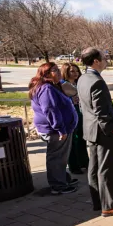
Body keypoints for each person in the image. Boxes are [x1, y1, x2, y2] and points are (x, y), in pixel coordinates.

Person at [78, 47, 113, 216]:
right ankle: (109, 205)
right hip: (102, 132)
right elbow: (101, 111)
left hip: (90, 130)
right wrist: (111, 130)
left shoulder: (83, 78)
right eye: (104, 57)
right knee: (106, 168)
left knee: (94, 168)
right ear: (96, 61)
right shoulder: (96, 81)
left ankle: (99, 201)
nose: (106, 59)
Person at [29, 62, 79, 195]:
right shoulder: (46, 88)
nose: (57, 73)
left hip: (58, 128)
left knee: (61, 157)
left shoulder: (52, 86)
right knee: (57, 157)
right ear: (45, 74)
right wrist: (60, 129)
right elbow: (51, 110)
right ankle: (58, 185)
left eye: (58, 70)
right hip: (55, 130)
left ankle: (63, 178)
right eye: (54, 71)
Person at [60, 63, 89, 175]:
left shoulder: (78, 83)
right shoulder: (63, 84)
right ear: (66, 72)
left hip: (80, 112)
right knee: (73, 140)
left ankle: (84, 162)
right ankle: (74, 165)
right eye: (72, 71)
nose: (75, 73)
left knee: (82, 138)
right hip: (70, 114)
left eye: (76, 71)